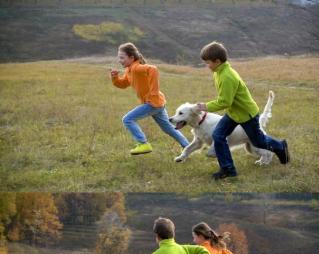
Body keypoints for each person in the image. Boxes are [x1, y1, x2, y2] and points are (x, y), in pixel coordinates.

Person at [196, 41, 290, 180]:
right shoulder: (218, 71)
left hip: (246, 115)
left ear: (217, 61)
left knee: (259, 142)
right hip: (233, 113)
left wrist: (206, 106)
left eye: (208, 63)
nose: (207, 66)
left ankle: (280, 146)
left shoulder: (227, 76)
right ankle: (228, 169)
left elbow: (225, 102)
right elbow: (227, 100)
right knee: (218, 135)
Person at [110, 42, 189, 155]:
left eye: (122, 57)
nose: (119, 60)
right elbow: (123, 84)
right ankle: (187, 147)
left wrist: (153, 93)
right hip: (158, 103)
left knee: (127, 119)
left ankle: (143, 144)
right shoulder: (129, 70)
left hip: (152, 103)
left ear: (131, 57)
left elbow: (153, 69)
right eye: (119, 57)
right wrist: (115, 77)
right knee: (168, 128)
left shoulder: (137, 67)